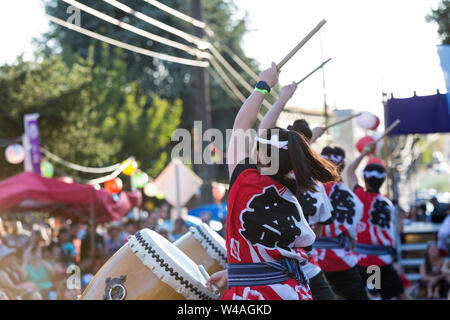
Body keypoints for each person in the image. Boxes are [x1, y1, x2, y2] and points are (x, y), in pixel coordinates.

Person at [207, 62, 339, 300]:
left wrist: (264, 85)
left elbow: (240, 127)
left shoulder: (245, 181)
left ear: (259, 154)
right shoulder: (291, 194)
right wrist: (235, 272)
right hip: (292, 292)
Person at [257, 83, 336, 300]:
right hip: (303, 264)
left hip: (265, 273)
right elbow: (316, 232)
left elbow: (263, 134)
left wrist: (279, 96)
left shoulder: (260, 181)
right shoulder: (315, 186)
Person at [347, 144, 410, 300]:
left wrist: (363, 153)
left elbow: (349, 171)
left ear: (365, 180)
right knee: (401, 295)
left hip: (362, 260)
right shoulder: (388, 205)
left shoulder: (359, 196)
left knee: (365, 295)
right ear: (382, 181)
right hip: (382, 260)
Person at [313, 146, 369, 300]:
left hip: (312, 259)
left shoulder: (309, 189)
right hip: (342, 259)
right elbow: (352, 237)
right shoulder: (350, 196)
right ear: (342, 166)